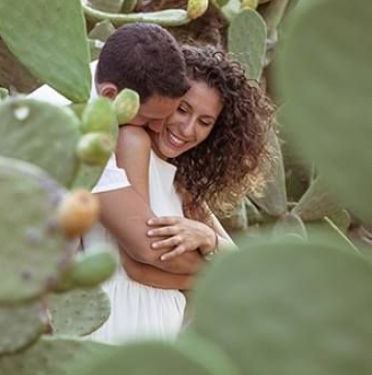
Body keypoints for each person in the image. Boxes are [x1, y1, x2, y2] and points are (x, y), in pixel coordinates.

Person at [85, 45, 275, 343]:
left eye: (205, 121)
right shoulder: (132, 141)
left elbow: (240, 267)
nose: (187, 129)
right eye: (182, 109)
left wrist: (207, 238)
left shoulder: (180, 182)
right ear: (164, 99)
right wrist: (212, 273)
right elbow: (139, 266)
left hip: (157, 334)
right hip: (118, 323)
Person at [30, 22, 189, 134]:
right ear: (110, 95)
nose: (158, 128)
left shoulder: (104, 74)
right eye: (146, 118)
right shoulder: (66, 130)